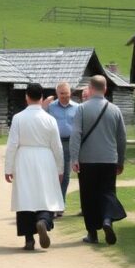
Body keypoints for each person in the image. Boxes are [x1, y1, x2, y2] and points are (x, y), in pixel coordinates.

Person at [6, 83, 65, 250]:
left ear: (26, 97)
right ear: (41, 98)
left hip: (24, 158)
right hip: (45, 158)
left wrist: (8, 168)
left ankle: (29, 239)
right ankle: (43, 221)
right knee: (45, 195)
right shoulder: (50, 119)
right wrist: (60, 169)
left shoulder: (18, 118)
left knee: (25, 197)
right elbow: (57, 147)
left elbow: (12, 145)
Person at [69, 75, 128, 245]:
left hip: (87, 160)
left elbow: (76, 134)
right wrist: (121, 160)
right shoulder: (115, 109)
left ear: (90, 88)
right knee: (107, 193)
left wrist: (74, 157)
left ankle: (92, 234)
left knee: (88, 196)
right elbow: (121, 138)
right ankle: (107, 220)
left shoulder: (81, 108)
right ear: (106, 89)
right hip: (109, 159)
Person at [43, 81, 78, 218]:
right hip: (53, 144)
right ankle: (51, 205)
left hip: (69, 143)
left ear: (71, 93)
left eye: (66, 93)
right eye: (61, 93)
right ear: (57, 94)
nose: (64, 96)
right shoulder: (50, 107)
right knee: (53, 174)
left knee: (65, 175)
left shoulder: (77, 107)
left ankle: (61, 204)